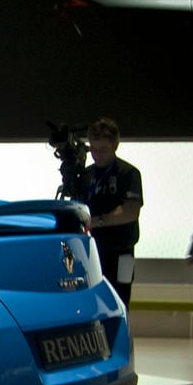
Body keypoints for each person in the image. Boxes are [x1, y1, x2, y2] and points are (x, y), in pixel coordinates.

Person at [78, 118, 143, 307]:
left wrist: (98, 221)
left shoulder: (129, 173)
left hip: (123, 252)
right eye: (94, 150)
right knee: (92, 302)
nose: (97, 155)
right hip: (92, 252)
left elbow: (130, 212)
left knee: (121, 301)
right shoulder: (86, 176)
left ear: (115, 146)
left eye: (103, 150)